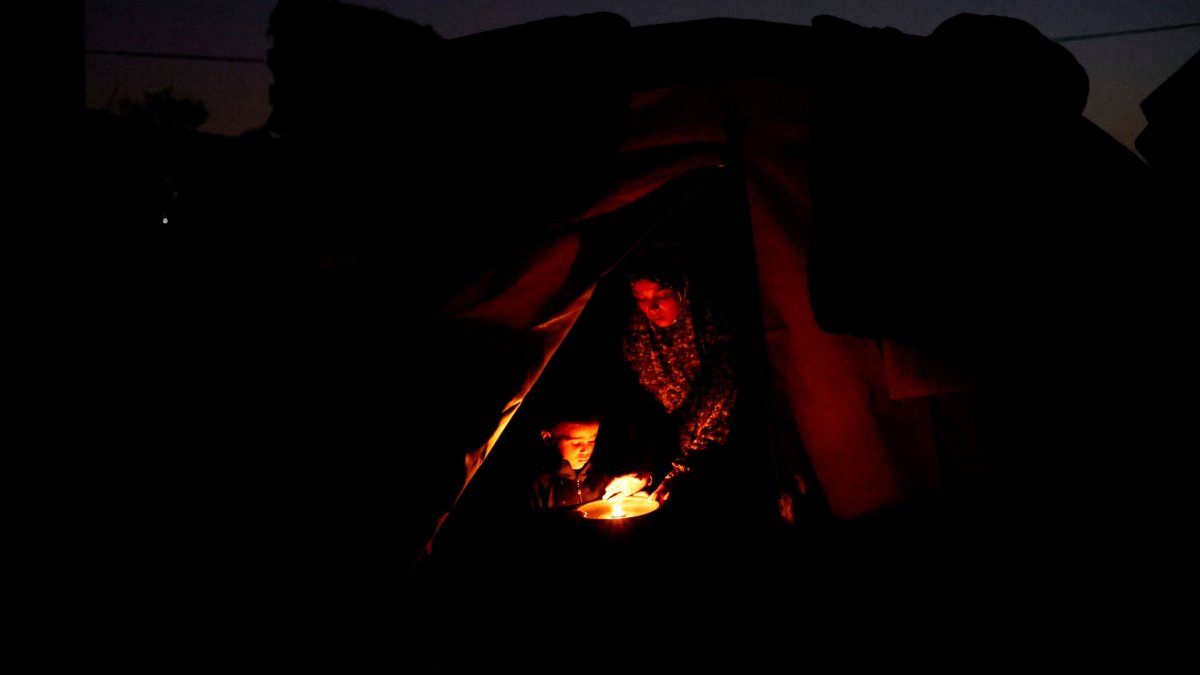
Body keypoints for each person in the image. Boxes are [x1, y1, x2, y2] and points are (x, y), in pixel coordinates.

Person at [618, 241, 739, 507]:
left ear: (680, 289)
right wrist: (645, 466)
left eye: (661, 296)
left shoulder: (707, 320)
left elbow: (721, 390)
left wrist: (673, 461)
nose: (652, 308)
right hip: (672, 457)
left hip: (722, 449)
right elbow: (641, 406)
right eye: (641, 299)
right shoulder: (638, 335)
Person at [529, 407, 651, 510]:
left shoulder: (605, 471)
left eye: (592, 440)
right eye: (576, 443)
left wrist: (640, 481)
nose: (586, 450)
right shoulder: (538, 485)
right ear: (548, 438)